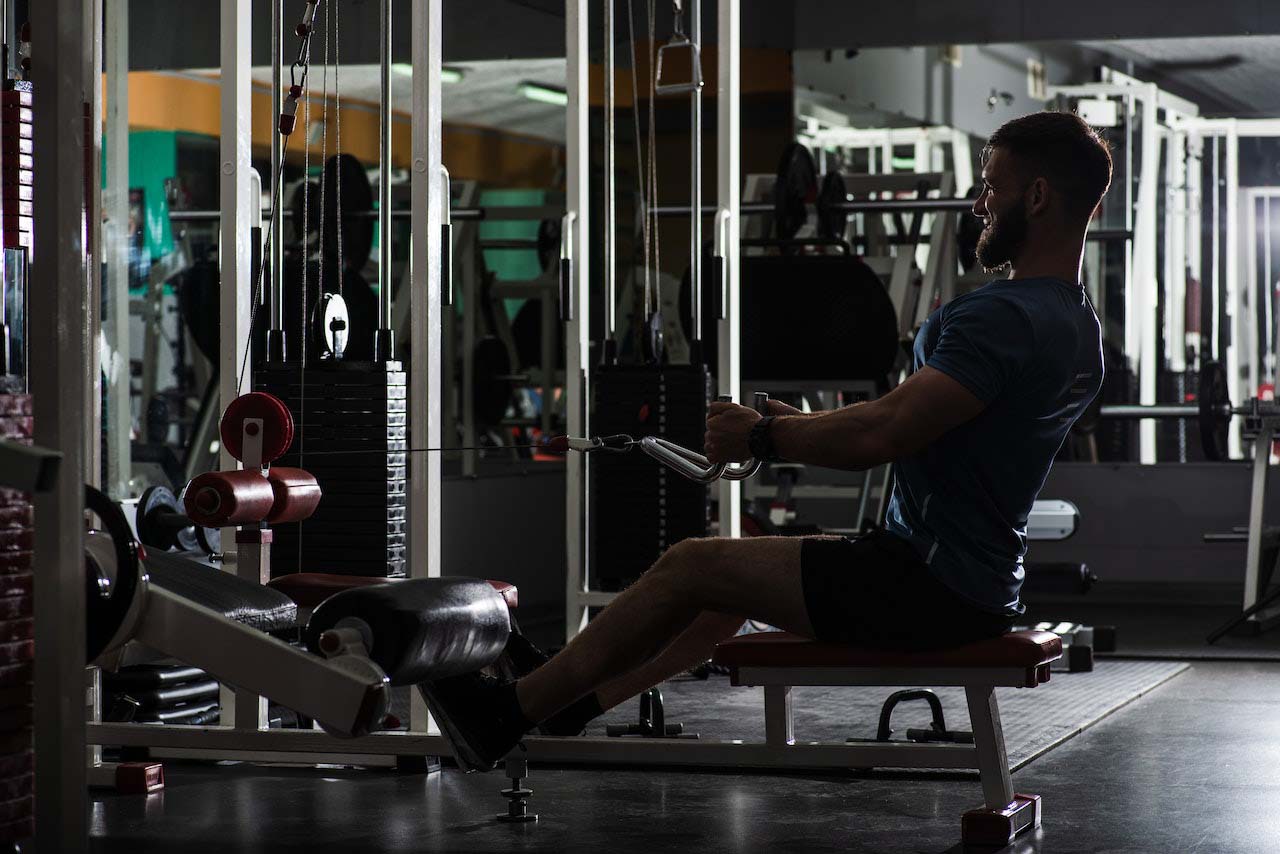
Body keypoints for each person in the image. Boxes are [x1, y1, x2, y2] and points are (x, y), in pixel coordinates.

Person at [422, 110, 1111, 772]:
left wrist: (765, 434)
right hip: (975, 583)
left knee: (690, 564)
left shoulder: (1004, 318)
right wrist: (792, 427)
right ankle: (569, 700)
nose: (979, 204)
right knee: (722, 589)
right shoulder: (1079, 328)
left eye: (991, 186)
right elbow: (916, 419)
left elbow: (883, 432)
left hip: (926, 586)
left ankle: (503, 715)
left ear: (1037, 197)